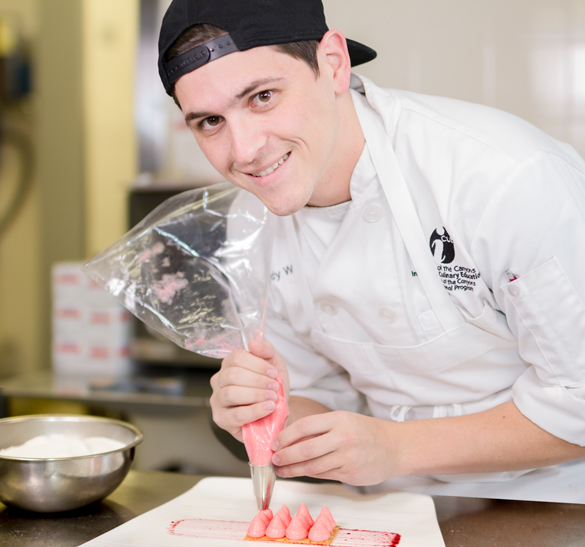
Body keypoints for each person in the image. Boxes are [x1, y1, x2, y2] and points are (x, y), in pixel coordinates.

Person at [157, 0, 585, 490]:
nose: (244, 150)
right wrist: (261, 414)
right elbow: (315, 397)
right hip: (394, 508)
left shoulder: (503, 179)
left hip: (559, 507)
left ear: (334, 63)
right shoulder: (248, 221)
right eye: (210, 122)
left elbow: (581, 399)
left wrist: (399, 448)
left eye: (262, 97)